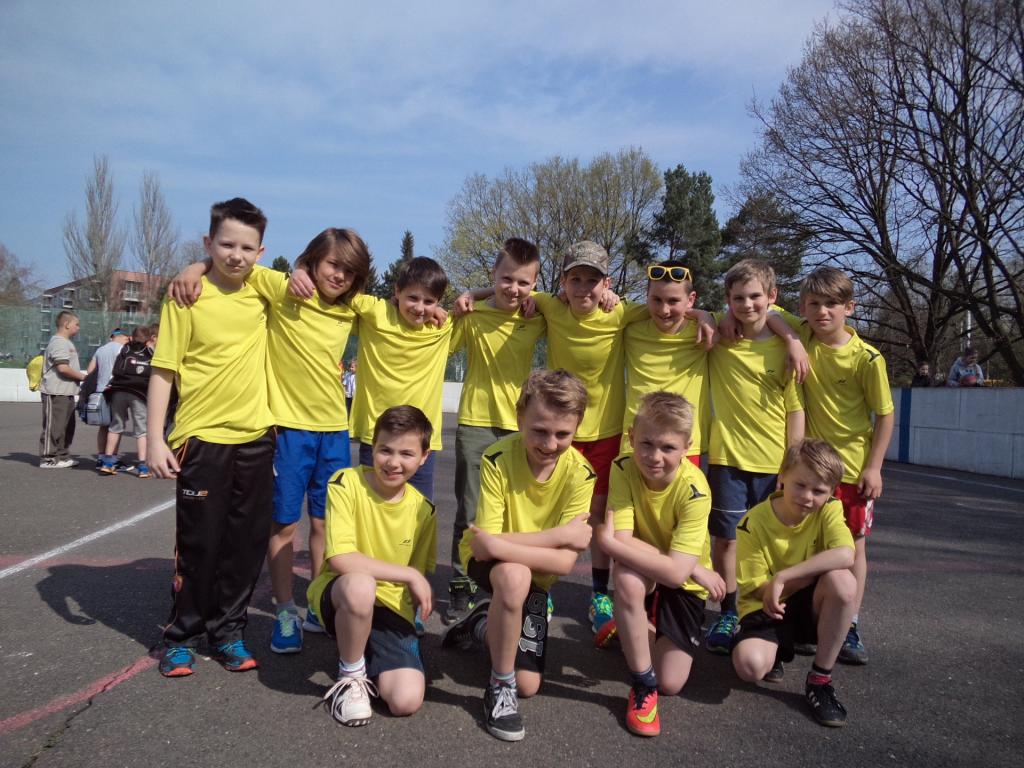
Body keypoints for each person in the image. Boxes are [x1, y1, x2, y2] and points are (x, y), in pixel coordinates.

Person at [168, 227, 371, 653]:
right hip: (288, 430)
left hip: (335, 431)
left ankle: (317, 602)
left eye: (350, 271)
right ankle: (284, 611)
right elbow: (233, 263)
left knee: (326, 524)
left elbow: (406, 308)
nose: (339, 276)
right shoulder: (281, 288)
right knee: (284, 525)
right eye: (332, 264)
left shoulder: (353, 308)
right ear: (312, 260)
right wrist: (193, 267)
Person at [147, 197, 276, 678]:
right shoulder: (187, 296)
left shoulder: (264, 292)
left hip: (258, 436)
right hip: (201, 437)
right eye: (225, 245)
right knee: (200, 542)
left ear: (261, 252)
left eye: (246, 247)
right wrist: (154, 438)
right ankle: (181, 637)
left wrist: (197, 264)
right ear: (208, 242)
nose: (235, 255)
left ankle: (228, 633)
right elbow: (164, 370)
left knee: (245, 544)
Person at [442, 369, 595, 742]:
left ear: (577, 427)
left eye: (563, 434)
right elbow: (483, 547)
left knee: (530, 684)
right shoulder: (497, 458)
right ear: (519, 417)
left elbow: (564, 564)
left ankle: (481, 624)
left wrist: (501, 545)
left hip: (533, 570)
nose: (550, 443)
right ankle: (499, 685)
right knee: (514, 576)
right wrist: (558, 536)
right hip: (488, 564)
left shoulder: (581, 474)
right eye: (539, 430)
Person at [596, 392, 725, 737]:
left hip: (683, 583)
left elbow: (674, 574)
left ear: (687, 447)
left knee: (672, 682)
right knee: (627, 580)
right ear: (631, 438)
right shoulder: (622, 467)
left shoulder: (695, 490)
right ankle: (642, 684)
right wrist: (689, 565)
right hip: (655, 569)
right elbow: (622, 538)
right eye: (646, 444)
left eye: (668, 448)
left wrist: (686, 568)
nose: (655, 457)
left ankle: (629, 626)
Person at [307, 405, 437, 727]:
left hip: (390, 607)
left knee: (405, 701)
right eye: (385, 450)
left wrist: (410, 612)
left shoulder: (424, 510)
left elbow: (415, 579)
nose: (393, 462)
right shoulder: (345, 483)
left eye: (406, 453)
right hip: (343, 593)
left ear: (424, 456)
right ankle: (350, 676)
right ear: (373, 447)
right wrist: (409, 574)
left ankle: (365, 649)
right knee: (361, 584)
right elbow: (340, 559)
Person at [704, 259, 805, 654]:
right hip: (727, 460)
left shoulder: (785, 347)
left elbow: (795, 410)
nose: (747, 305)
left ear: (772, 296)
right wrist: (719, 316)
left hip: (774, 464)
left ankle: (770, 613)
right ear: (727, 301)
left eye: (755, 297)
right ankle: (729, 612)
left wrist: (792, 465)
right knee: (727, 541)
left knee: (773, 543)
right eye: (738, 299)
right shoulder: (721, 337)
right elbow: (694, 312)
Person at [291, 256, 452, 502]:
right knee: (371, 510)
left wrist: (470, 295)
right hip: (376, 435)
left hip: (421, 440)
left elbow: (478, 304)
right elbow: (339, 288)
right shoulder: (375, 311)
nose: (420, 308)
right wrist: (301, 269)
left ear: (439, 302)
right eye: (413, 298)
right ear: (396, 292)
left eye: (429, 301)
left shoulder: (442, 328)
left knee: (419, 514)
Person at [445, 237, 546, 624]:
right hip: (475, 424)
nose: (513, 289)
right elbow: (441, 343)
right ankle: (461, 584)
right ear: (493, 274)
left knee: (517, 515)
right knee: (470, 511)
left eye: (523, 282)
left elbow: (569, 306)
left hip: (521, 429)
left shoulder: (537, 317)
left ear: (534, 284)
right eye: (506, 279)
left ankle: (514, 585)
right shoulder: (471, 316)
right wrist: (470, 296)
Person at [798, 267, 894, 665]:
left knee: (853, 546)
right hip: (811, 470)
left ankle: (850, 622)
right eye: (814, 304)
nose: (822, 312)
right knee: (806, 542)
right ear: (803, 308)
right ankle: (807, 620)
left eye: (831, 304)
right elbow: (766, 313)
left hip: (852, 470)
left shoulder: (867, 358)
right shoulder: (803, 337)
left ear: (849, 308)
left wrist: (875, 467)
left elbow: (884, 415)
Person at [731, 439, 856, 728]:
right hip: (767, 606)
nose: (807, 497)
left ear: (831, 492)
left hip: (805, 602)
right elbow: (757, 589)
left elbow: (846, 554)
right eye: (800, 485)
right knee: (749, 666)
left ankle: (820, 680)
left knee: (843, 582)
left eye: (819, 491)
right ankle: (774, 650)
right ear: (782, 476)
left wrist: (784, 576)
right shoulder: (753, 522)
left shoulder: (829, 510)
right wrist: (793, 581)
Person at [99, 325, 155, 477]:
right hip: (139, 394)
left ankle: (107, 463)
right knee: (141, 430)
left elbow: (116, 370)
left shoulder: (125, 350)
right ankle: (143, 467)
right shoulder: (150, 353)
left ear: (131, 337)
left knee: (115, 426)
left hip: (119, 391)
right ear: (148, 339)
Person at [39, 310, 87, 468]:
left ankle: (62, 456)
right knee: (54, 427)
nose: (78, 327)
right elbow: (63, 368)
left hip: (67, 391)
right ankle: (48, 459)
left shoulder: (67, 342)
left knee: (67, 427)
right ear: (66, 324)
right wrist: (84, 377)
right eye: (76, 324)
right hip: (55, 392)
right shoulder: (58, 342)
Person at [86, 328, 129, 466]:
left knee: (103, 426)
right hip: (115, 391)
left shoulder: (100, 350)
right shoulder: (123, 349)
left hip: (100, 392)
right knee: (116, 427)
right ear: (122, 337)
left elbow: (90, 370)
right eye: (127, 338)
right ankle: (113, 459)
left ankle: (100, 457)